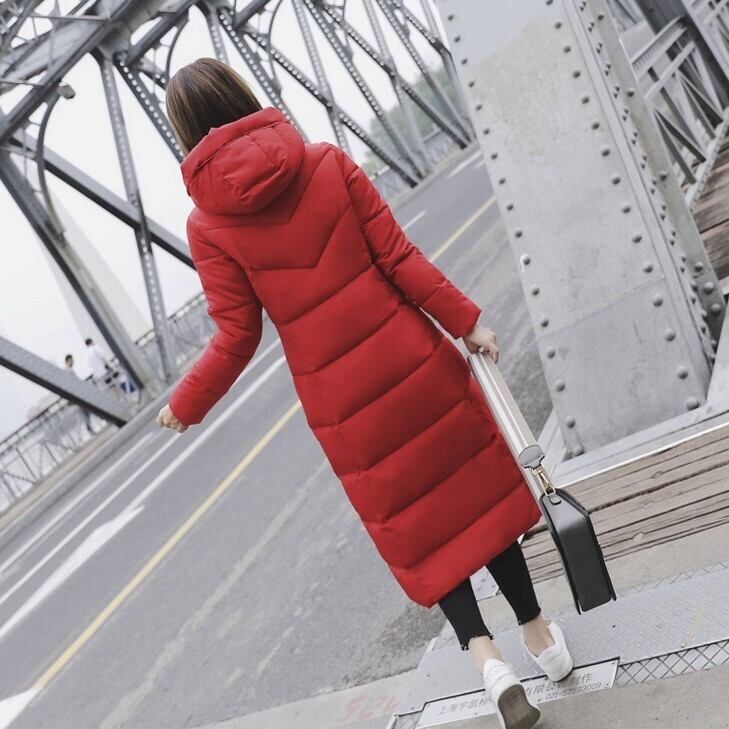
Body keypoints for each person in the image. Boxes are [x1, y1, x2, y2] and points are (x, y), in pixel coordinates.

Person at [155, 57, 573, 728]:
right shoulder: (324, 162)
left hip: (343, 404)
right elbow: (398, 257)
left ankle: (487, 662)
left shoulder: (207, 227)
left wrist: (187, 402)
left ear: (185, 133)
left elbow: (237, 334)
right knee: (475, 496)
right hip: (411, 361)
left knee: (422, 525)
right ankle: (540, 636)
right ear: (243, 97)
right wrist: (466, 321)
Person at [64, 353, 95, 434]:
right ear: (68, 361)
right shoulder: (68, 371)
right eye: (71, 360)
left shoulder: (68, 371)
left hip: (77, 395)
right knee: (85, 410)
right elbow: (74, 383)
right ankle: (89, 428)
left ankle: (89, 428)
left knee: (85, 411)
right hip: (77, 395)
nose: (73, 362)